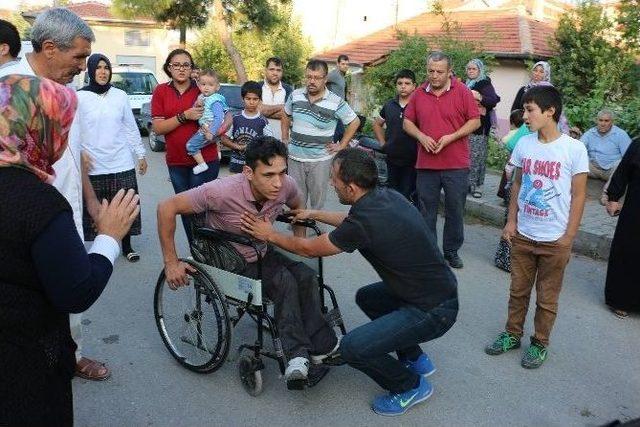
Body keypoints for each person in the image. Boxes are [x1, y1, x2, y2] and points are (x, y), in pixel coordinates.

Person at [239, 148, 458, 416]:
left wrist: (270, 235)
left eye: (335, 180)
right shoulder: (385, 196)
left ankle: (410, 386)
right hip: (437, 293)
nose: (332, 183)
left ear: (352, 188)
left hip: (433, 311)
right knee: (368, 298)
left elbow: (310, 248)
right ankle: (414, 358)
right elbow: (351, 220)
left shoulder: (364, 221)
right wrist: (314, 214)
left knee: (351, 347)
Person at [0, 74, 139, 426]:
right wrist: (109, 238)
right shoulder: (37, 202)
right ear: (39, 126)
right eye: (61, 123)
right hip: (24, 369)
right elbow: (75, 290)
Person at [157, 137, 339, 390]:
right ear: (248, 172)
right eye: (269, 175)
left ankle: (322, 347)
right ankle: (296, 356)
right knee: (284, 282)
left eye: (282, 172)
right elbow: (167, 208)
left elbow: (298, 205)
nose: (278, 183)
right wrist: (171, 262)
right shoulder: (219, 191)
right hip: (226, 259)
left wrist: (298, 245)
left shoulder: (286, 185)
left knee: (307, 276)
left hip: (261, 251)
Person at [0, 7, 115, 381]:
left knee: (70, 283)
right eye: (79, 56)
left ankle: (72, 354)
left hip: (61, 212)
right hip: (17, 214)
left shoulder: (68, 94)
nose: (84, 65)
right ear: (49, 47)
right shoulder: (9, 85)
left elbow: (72, 154)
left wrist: (93, 202)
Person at [485, 86, 588, 369]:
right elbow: (516, 183)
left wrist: (568, 237)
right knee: (517, 291)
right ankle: (512, 334)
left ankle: (540, 343)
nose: (525, 115)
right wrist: (511, 221)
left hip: (555, 239)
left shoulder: (574, 149)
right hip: (523, 235)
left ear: (550, 111)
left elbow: (579, 195)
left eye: (530, 110)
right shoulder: (524, 144)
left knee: (547, 298)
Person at [403, 51, 481, 269]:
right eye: (430, 71)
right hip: (426, 164)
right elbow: (407, 123)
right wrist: (421, 136)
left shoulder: (463, 91)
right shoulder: (418, 94)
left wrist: (451, 137)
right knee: (426, 210)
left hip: (456, 164)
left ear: (449, 72)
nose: (434, 76)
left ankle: (451, 251)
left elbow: (474, 121)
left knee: (455, 209)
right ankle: (429, 251)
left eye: (439, 72)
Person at [76, 53, 148, 262]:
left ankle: (127, 246)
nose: (103, 71)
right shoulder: (79, 97)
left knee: (124, 206)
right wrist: (81, 154)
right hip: (94, 164)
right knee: (97, 209)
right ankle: (101, 248)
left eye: (106, 67)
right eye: (98, 67)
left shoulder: (120, 96)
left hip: (121, 161)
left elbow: (129, 127)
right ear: (90, 71)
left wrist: (140, 154)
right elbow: (75, 130)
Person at [151, 49, 219, 243]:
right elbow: (158, 128)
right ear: (169, 68)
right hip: (177, 163)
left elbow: (226, 115)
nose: (181, 68)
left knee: (203, 210)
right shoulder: (161, 91)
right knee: (186, 212)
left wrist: (216, 132)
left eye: (186, 65)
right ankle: (197, 254)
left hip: (206, 160)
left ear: (192, 69)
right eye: (176, 65)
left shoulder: (203, 88)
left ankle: (212, 255)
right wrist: (185, 116)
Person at [285, 59, 360, 212]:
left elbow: (354, 122)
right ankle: (299, 234)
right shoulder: (295, 95)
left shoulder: (335, 101)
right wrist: (284, 138)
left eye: (317, 78)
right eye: (309, 77)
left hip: (320, 160)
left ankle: (317, 232)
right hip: (294, 158)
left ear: (325, 79)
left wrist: (342, 145)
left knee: (317, 204)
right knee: (296, 202)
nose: (312, 81)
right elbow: (285, 115)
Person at [603, 137, 640, 319]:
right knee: (628, 251)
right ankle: (621, 300)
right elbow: (624, 170)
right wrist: (613, 197)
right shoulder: (638, 144)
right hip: (636, 210)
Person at [372, 69, 418, 201]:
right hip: (392, 158)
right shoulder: (389, 105)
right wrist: (382, 143)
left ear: (414, 86)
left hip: (412, 160)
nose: (403, 86)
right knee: (391, 194)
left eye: (407, 83)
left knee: (406, 196)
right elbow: (377, 124)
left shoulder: (418, 105)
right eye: (400, 83)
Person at [494, 109, 528, 272]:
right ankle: (510, 261)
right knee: (514, 220)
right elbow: (512, 144)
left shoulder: (529, 130)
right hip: (519, 183)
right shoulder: (529, 130)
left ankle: (507, 259)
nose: (526, 116)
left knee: (512, 219)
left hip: (519, 182)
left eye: (530, 110)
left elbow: (510, 144)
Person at [465, 58, 500, 198]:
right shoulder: (465, 84)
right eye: (469, 69)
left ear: (479, 70)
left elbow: (493, 100)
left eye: (474, 69)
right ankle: (467, 184)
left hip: (479, 128)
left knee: (477, 157)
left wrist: (479, 96)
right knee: (466, 157)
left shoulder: (484, 83)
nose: (471, 71)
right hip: (465, 126)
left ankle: (478, 186)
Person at [580, 109, 632, 205]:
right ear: (597, 121)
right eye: (601, 120)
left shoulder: (620, 134)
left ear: (611, 122)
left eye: (606, 121)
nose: (603, 123)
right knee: (576, 159)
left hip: (611, 169)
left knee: (621, 164)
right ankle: (569, 191)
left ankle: (606, 194)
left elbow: (628, 156)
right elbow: (578, 148)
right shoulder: (590, 133)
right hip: (593, 168)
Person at [220, 80, 273, 173]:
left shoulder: (263, 121)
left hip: (255, 168)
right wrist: (237, 147)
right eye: (248, 99)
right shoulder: (235, 118)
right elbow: (224, 139)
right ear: (242, 98)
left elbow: (269, 143)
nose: (251, 102)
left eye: (255, 99)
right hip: (236, 166)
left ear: (260, 100)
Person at [186, 69, 229, 175]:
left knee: (190, 145)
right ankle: (217, 148)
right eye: (203, 84)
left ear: (217, 87)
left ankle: (202, 165)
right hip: (205, 128)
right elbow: (195, 111)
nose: (206, 87)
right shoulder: (203, 97)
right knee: (207, 141)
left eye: (210, 84)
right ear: (199, 85)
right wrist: (197, 104)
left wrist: (211, 132)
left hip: (209, 129)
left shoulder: (215, 100)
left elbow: (219, 118)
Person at [260, 56, 292, 142]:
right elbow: (258, 110)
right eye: (272, 69)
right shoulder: (258, 87)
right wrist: (282, 107)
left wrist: (264, 111)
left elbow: (290, 114)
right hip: (260, 139)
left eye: (278, 70)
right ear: (266, 70)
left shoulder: (288, 89)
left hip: (281, 140)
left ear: (282, 72)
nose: (275, 73)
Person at [327, 54, 350, 142]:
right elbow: (321, 81)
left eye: (347, 64)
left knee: (340, 134)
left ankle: (337, 152)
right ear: (338, 64)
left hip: (340, 108)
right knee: (339, 134)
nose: (345, 66)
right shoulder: (334, 74)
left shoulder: (342, 76)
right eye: (343, 64)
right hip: (333, 109)